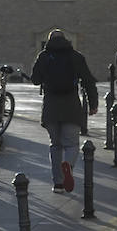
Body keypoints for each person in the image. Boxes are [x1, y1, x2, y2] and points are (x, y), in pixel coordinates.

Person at [31, 29, 98, 193]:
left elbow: (35, 80)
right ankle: (68, 165)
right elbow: (89, 81)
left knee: (55, 145)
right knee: (72, 144)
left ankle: (58, 183)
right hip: (71, 105)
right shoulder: (76, 56)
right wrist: (93, 104)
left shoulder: (44, 56)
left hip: (51, 106)